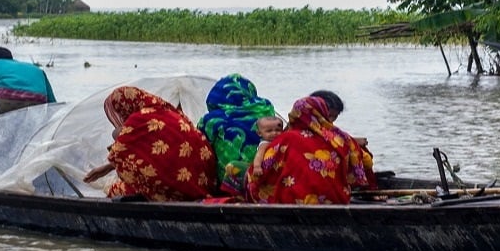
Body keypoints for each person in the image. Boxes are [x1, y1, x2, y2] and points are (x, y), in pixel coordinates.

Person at [83, 86, 217, 202]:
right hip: (208, 182)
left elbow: (124, 161)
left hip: (181, 191)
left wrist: (113, 164)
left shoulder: (137, 121)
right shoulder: (166, 111)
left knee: (114, 189)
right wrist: (108, 167)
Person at [247, 96, 376, 204]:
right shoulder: (340, 137)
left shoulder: (286, 138)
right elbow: (363, 163)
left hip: (296, 200)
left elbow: (265, 166)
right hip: (336, 199)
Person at [195, 74, 280, 196]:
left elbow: (202, 150)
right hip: (270, 176)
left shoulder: (211, 121)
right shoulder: (265, 109)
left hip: (229, 182)